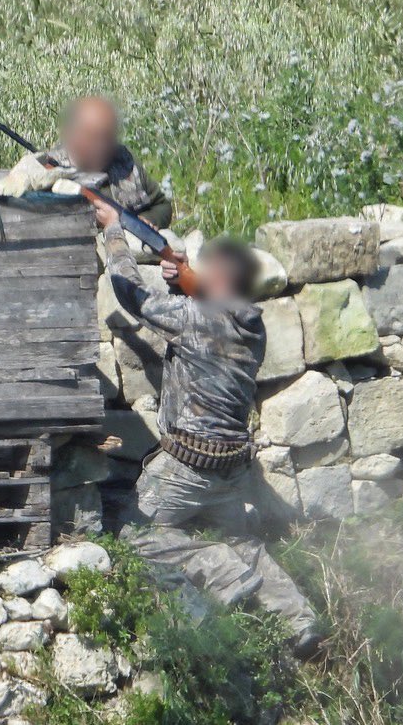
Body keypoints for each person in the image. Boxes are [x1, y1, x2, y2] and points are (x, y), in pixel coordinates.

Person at [91, 196, 322, 658]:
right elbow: (212, 318)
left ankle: (218, 569)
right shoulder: (252, 325)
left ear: (218, 277)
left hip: (186, 470)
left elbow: (131, 293)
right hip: (234, 472)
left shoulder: (195, 318)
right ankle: (301, 622)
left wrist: (115, 230)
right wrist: (183, 278)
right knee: (244, 541)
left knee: (129, 531)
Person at [48, 96, 172, 228]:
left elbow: (162, 206)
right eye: (93, 137)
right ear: (73, 135)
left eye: (106, 137)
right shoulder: (48, 173)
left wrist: (146, 222)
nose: (101, 147)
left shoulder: (126, 162)